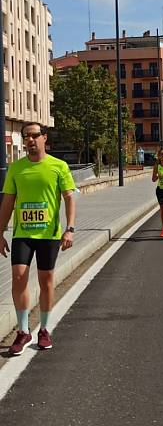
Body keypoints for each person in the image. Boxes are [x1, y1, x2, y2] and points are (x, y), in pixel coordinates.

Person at [0, 122, 76, 355]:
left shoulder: (58, 166)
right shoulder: (16, 168)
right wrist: (0, 232)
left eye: (34, 135)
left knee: (46, 280)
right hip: (23, 233)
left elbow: (69, 198)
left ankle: (44, 329)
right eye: (26, 136)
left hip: (49, 234)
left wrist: (70, 228)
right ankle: (23, 331)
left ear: (44, 138)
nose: (30, 140)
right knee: (18, 276)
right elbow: (8, 202)